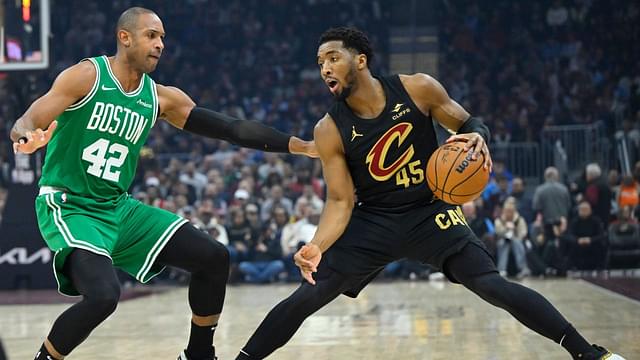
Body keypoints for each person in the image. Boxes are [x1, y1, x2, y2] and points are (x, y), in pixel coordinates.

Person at [234, 27, 624, 360]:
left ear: (361, 60)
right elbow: (340, 200)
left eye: (332, 58)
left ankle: (589, 353)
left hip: (431, 211)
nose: (324, 69)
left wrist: (479, 136)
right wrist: (317, 244)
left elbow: (469, 122)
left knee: (492, 285)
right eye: (320, 62)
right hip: (374, 219)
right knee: (308, 295)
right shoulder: (329, 128)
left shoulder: (417, 88)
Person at [9, 7, 316, 360]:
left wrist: (300, 145)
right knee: (104, 296)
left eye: (162, 39)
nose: (160, 45)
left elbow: (230, 128)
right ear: (124, 37)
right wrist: (26, 136)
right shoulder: (87, 76)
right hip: (70, 205)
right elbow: (29, 117)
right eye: (151, 36)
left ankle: (199, 354)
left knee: (214, 258)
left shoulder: (159, 97)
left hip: (119, 208)